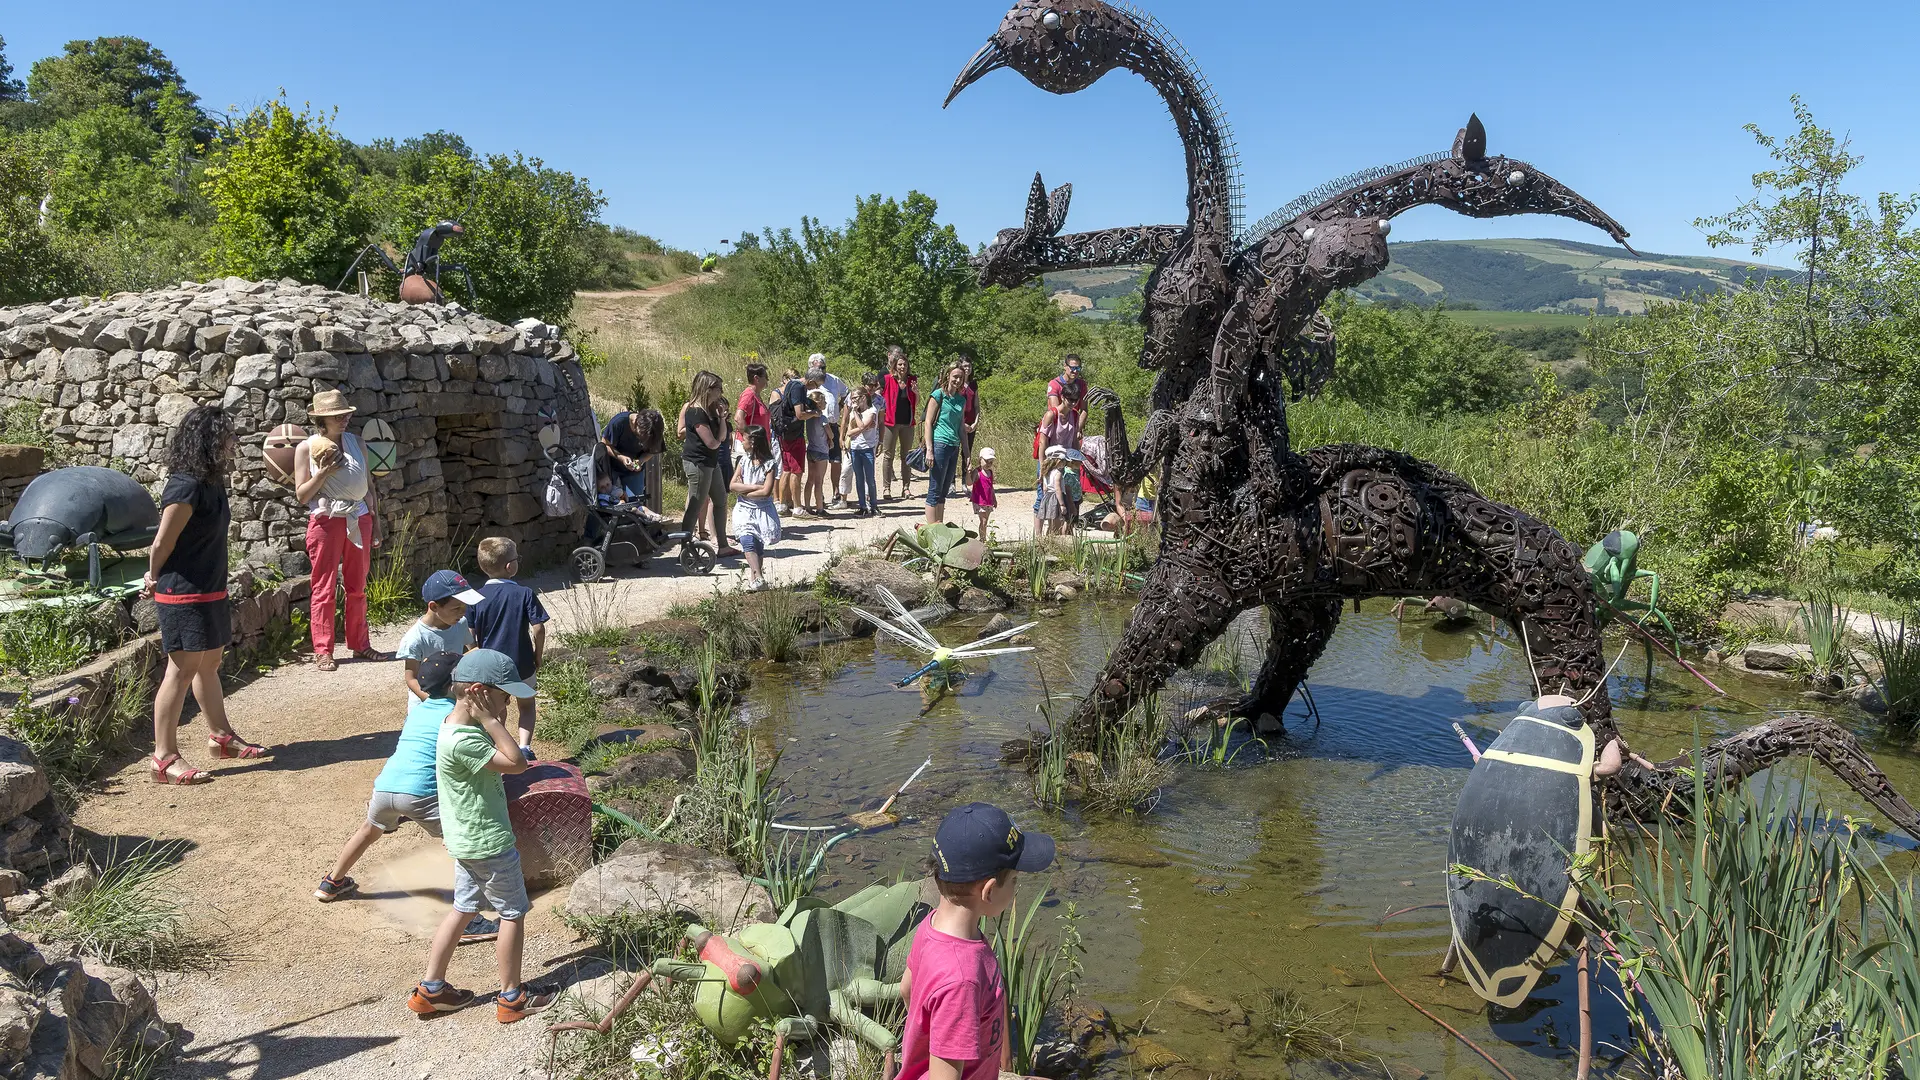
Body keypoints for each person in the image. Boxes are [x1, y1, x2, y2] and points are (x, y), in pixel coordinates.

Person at [314, 650, 501, 953]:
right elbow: (482, 754)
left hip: (386, 786)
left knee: (368, 831)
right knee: (459, 843)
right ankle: (469, 920)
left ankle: (332, 882)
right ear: (460, 685)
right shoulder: (456, 715)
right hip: (421, 794)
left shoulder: (420, 710)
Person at [407, 649, 556, 1023]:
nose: (507, 704)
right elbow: (517, 763)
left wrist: (487, 717)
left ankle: (432, 989)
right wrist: (492, 721)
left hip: (466, 841)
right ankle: (511, 997)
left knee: (463, 909)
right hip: (488, 842)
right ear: (478, 693)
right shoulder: (468, 739)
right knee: (512, 913)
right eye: (504, 697)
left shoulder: (451, 725)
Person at [144, 405, 268, 784]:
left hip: (210, 589)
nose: (235, 442)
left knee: (209, 663)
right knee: (180, 671)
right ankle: (163, 758)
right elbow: (162, 542)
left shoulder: (211, 483)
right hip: (182, 593)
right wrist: (152, 577)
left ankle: (221, 737)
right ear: (210, 441)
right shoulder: (185, 485)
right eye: (229, 436)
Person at [898, 802, 1055, 1080]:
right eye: (1015, 881)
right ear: (989, 892)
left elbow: (907, 990)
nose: (1016, 889)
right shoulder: (962, 979)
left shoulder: (930, 926)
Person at [294, 389, 392, 672]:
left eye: (346, 414)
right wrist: (323, 472)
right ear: (322, 419)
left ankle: (360, 644)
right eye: (337, 415)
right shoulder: (307, 448)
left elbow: (369, 487)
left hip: (359, 517)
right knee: (323, 587)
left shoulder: (357, 442)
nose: (344, 419)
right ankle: (323, 650)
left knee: (357, 585)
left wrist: (376, 524)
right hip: (327, 520)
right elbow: (302, 495)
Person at [465, 537, 548, 755]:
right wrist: (537, 655)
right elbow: (538, 629)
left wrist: (476, 657)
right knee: (527, 705)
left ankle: (500, 747)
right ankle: (524, 747)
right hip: (521, 662)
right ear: (510, 566)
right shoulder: (524, 593)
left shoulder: (475, 598)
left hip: (489, 666)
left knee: (495, 708)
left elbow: (469, 635)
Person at [397, 570, 483, 702]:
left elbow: (469, 653)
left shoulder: (460, 623)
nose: (463, 612)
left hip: (456, 698)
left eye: (464, 607)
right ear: (434, 606)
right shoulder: (415, 638)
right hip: (425, 704)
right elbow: (411, 678)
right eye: (456, 608)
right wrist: (434, 703)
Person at [678, 370, 735, 553]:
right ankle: (685, 548)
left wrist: (722, 418)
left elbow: (722, 436)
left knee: (720, 500)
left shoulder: (712, 409)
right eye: (718, 388)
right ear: (707, 389)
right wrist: (719, 440)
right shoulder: (695, 411)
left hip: (711, 462)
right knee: (695, 505)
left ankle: (723, 545)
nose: (721, 392)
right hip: (698, 463)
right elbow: (711, 442)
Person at [729, 426, 783, 592]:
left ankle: (755, 581)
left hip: (762, 510)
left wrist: (744, 490)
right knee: (746, 540)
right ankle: (758, 576)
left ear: (752, 442)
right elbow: (732, 485)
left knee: (758, 544)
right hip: (744, 508)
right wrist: (753, 487)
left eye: (744, 439)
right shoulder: (743, 460)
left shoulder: (769, 464)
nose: (741, 442)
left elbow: (766, 491)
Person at [921, 365, 968, 525]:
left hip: (954, 447)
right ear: (948, 376)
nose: (957, 380)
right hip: (939, 444)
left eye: (961, 377)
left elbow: (961, 427)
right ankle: (932, 530)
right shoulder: (938, 395)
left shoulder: (962, 399)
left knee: (943, 492)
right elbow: (928, 422)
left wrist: (966, 453)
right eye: (955, 376)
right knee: (934, 490)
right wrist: (929, 450)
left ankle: (939, 525)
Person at [807, 354, 850, 510]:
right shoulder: (809, 383)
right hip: (816, 425)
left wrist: (839, 407)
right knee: (820, 461)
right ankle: (819, 495)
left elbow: (846, 394)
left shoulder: (833, 379)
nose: (821, 371)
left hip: (832, 424)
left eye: (823, 367)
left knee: (836, 460)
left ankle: (836, 492)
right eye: (818, 368)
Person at [771, 367, 815, 515]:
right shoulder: (798, 387)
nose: (815, 388)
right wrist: (814, 413)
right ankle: (797, 507)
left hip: (784, 433)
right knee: (796, 470)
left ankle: (783, 505)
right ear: (812, 381)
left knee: (787, 469)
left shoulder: (789, 386)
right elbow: (800, 414)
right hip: (794, 434)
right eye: (816, 385)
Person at [879, 346, 918, 501]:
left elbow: (916, 402)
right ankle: (886, 488)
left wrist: (916, 393)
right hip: (890, 422)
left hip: (907, 422)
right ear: (895, 366)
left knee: (906, 456)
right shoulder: (888, 379)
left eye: (905, 365)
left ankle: (906, 488)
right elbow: (878, 397)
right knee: (888, 455)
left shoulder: (912, 381)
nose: (902, 367)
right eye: (900, 364)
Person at [598, 408, 655, 501]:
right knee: (614, 502)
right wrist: (621, 457)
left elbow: (653, 450)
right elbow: (604, 444)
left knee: (635, 503)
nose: (642, 441)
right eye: (641, 435)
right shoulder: (618, 423)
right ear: (636, 424)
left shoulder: (654, 429)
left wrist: (640, 461)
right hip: (613, 469)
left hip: (634, 473)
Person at [844, 385, 880, 516]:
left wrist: (859, 424)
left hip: (867, 448)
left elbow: (861, 425)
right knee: (859, 478)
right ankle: (862, 506)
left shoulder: (872, 411)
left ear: (863, 398)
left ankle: (874, 506)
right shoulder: (855, 413)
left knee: (870, 479)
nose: (853, 401)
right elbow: (850, 431)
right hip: (855, 448)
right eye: (852, 399)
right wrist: (859, 428)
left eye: (855, 398)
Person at [803, 381, 834, 515]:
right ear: (819, 404)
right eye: (824, 401)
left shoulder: (809, 417)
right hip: (821, 451)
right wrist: (831, 439)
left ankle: (808, 506)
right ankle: (820, 508)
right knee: (819, 481)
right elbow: (830, 434)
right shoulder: (822, 418)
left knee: (810, 479)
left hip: (811, 450)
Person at [955, 354, 980, 491]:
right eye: (964, 366)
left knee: (967, 453)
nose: (967, 368)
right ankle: (951, 482)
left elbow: (976, 406)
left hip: (970, 424)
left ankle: (965, 481)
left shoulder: (974, 384)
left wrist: (975, 423)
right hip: (958, 423)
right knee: (954, 450)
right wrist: (962, 424)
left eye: (969, 366)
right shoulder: (956, 384)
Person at [1046, 354, 1087, 431]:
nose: (1075, 371)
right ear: (1065, 366)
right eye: (1072, 368)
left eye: (1078, 368)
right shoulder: (1054, 384)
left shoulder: (1082, 384)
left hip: (1074, 424)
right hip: (1055, 426)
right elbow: (1056, 410)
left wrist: (1078, 429)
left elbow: (1084, 409)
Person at [1035, 448, 1069, 537]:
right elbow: (1057, 488)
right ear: (1058, 461)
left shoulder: (1046, 473)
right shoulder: (1058, 473)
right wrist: (1062, 504)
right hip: (1056, 498)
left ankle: (1047, 540)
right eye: (1063, 461)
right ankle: (1053, 541)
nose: (1065, 463)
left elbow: (1045, 488)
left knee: (1051, 523)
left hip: (1047, 497)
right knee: (1056, 524)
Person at [969, 447, 997, 539]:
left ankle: (983, 538)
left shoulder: (990, 472)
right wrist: (968, 472)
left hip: (988, 501)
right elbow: (969, 483)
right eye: (986, 461)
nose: (989, 464)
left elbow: (991, 487)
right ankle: (983, 539)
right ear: (980, 460)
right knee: (983, 521)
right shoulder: (977, 472)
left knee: (986, 520)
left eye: (991, 462)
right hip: (979, 500)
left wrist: (994, 499)